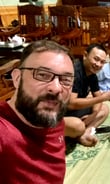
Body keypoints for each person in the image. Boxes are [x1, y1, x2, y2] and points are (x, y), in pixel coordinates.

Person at [0, 40, 74, 183]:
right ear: (17, 78)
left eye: (66, 79)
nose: (56, 88)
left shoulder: (53, 114)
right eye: (42, 75)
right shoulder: (5, 132)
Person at [64, 43, 110, 147]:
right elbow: (71, 104)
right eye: (96, 59)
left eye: (102, 62)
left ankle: (85, 133)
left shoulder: (92, 75)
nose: (98, 64)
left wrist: (93, 115)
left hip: (75, 112)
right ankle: (77, 132)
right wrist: (101, 98)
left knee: (104, 109)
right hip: (61, 114)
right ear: (85, 55)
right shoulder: (75, 71)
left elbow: (98, 98)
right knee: (78, 126)